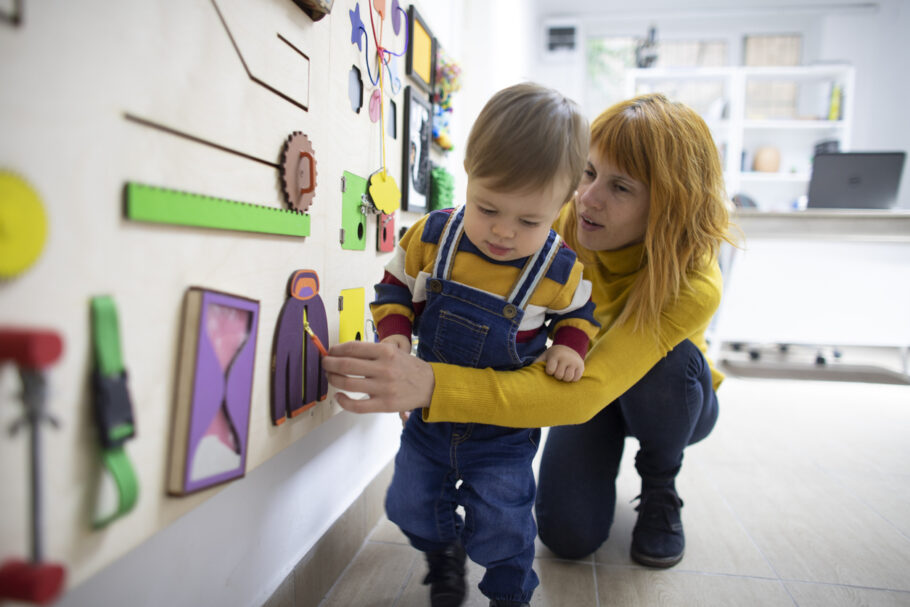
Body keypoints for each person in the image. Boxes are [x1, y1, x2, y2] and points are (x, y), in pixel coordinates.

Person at [325, 93, 732, 573]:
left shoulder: (695, 283)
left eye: (620, 187)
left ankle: (661, 482)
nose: (588, 198)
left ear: (669, 203)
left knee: (671, 365)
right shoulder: (552, 224)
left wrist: (432, 385)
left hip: (667, 401)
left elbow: (582, 397)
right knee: (567, 537)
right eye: (588, 172)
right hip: (580, 382)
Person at [372, 83, 598, 607]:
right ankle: (443, 557)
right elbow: (394, 287)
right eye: (487, 208)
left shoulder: (558, 270)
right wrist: (396, 335)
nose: (501, 232)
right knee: (408, 502)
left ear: (563, 205)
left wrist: (569, 347)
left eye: (528, 221)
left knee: (503, 521)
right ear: (469, 172)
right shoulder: (431, 236)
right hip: (429, 419)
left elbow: (581, 315)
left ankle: (508, 592)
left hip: (504, 431)